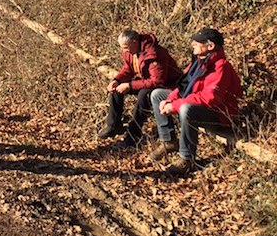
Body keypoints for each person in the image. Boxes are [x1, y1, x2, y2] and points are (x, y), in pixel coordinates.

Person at [150, 28, 243, 175]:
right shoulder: (199, 62)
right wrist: (169, 100)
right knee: (157, 95)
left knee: (186, 109)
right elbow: (183, 86)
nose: (193, 43)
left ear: (210, 46)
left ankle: (187, 159)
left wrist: (174, 105)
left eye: (197, 42)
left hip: (219, 115)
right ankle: (168, 141)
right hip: (199, 106)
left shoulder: (221, 67)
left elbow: (209, 98)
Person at [99, 30, 181, 148]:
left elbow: (157, 81)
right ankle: (114, 125)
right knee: (116, 90)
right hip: (144, 81)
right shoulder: (130, 52)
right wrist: (117, 80)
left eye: (126, 47)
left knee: (144, 96)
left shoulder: (154, 54)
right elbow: (128, 69)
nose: (124, 51)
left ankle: (133, 136)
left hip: (165, 85)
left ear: (134, 42)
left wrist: (130, 86)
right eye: (122, 48)